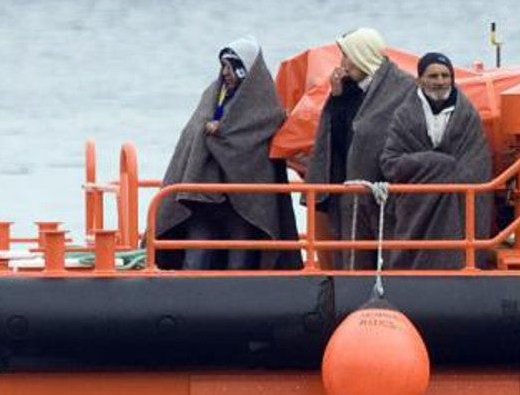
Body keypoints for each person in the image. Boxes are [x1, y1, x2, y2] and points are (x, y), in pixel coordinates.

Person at [155, 36, 301, 271]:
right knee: (195, 258)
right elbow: (193, 136)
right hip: (203, 198)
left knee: (239, 262)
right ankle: (186, 301)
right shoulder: (211, 97)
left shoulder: (266, 108)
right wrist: (210, 133)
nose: (225, 72)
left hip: (243, 205)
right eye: (223, 65)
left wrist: (223, 133)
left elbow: (253, 144)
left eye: (231, 66)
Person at [306, 28, 415, 269]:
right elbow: (339, 138)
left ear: (363, 55)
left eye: (347, 56)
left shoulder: (402, 88)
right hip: (352, 191)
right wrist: (337, 98)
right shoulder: (348, 90)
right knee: (352, 254)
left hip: (385, 193)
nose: (343, 63)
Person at [381, 52, 493, 269]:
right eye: (433, 76)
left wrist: (451, 174)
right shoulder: (405, 115)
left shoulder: (467, 115)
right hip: (417, 199)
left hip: (459, 200)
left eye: (445, 75)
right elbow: (390, 162)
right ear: (419, 80)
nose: (440, 82)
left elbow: (477, 161)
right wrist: (435, 164)